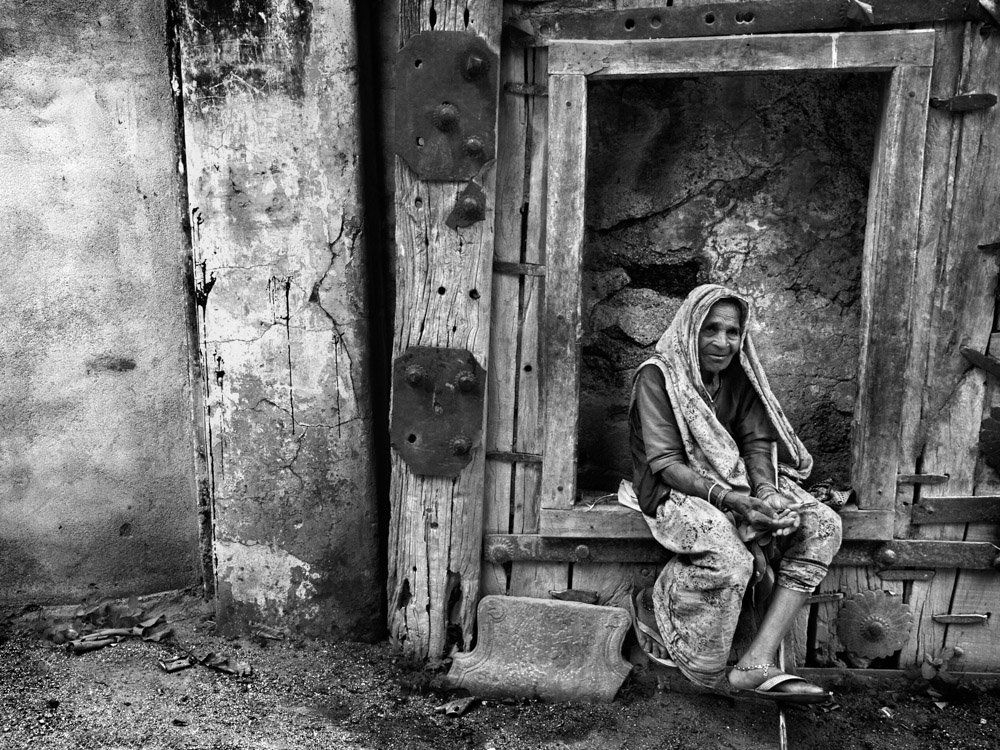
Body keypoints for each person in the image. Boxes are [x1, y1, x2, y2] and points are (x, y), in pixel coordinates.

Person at [625, 283, 842, 703]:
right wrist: (734, 501)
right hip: (673, 490)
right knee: (730, 558)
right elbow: (666, 463)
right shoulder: (658, 375)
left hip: (737, 482)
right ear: (690, 329)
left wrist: (766, 491)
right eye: (711, 329)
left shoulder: (737, 375)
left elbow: (758, 443)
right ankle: (663, 614)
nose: (723, 342)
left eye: (732, 331)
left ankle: (756, 662)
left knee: (822, 525)